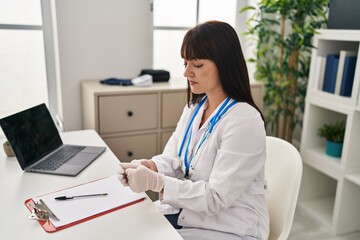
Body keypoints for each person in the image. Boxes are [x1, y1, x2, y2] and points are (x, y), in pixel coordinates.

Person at [118, 20, 269, 240]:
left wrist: (156, 182)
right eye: (185, 63)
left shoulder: (245, 121)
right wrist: (150, 166)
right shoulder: (194, 109)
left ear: (224, 65)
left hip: (230, 228)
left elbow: (215, 198)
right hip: (188, 215)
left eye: (197, 65)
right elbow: (174, 159)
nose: (187, 72)